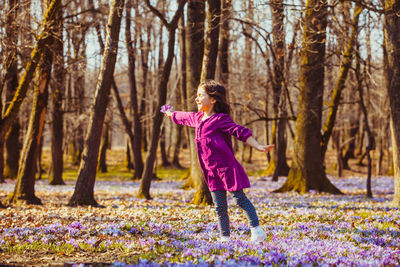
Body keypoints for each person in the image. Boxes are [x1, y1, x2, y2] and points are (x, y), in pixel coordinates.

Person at [163, 80, 274, 242]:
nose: (197, 98)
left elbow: (239, 131)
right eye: (197, 95)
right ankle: (225, 238)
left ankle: (256, 229)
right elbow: (184, 116)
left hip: (227, 169)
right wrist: (170, 114)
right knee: (220, 207)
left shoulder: (220, 119)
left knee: (240, 199)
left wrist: (258, 146)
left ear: (213, 99)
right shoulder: (198, 118)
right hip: (210, 172)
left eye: (201, 95)